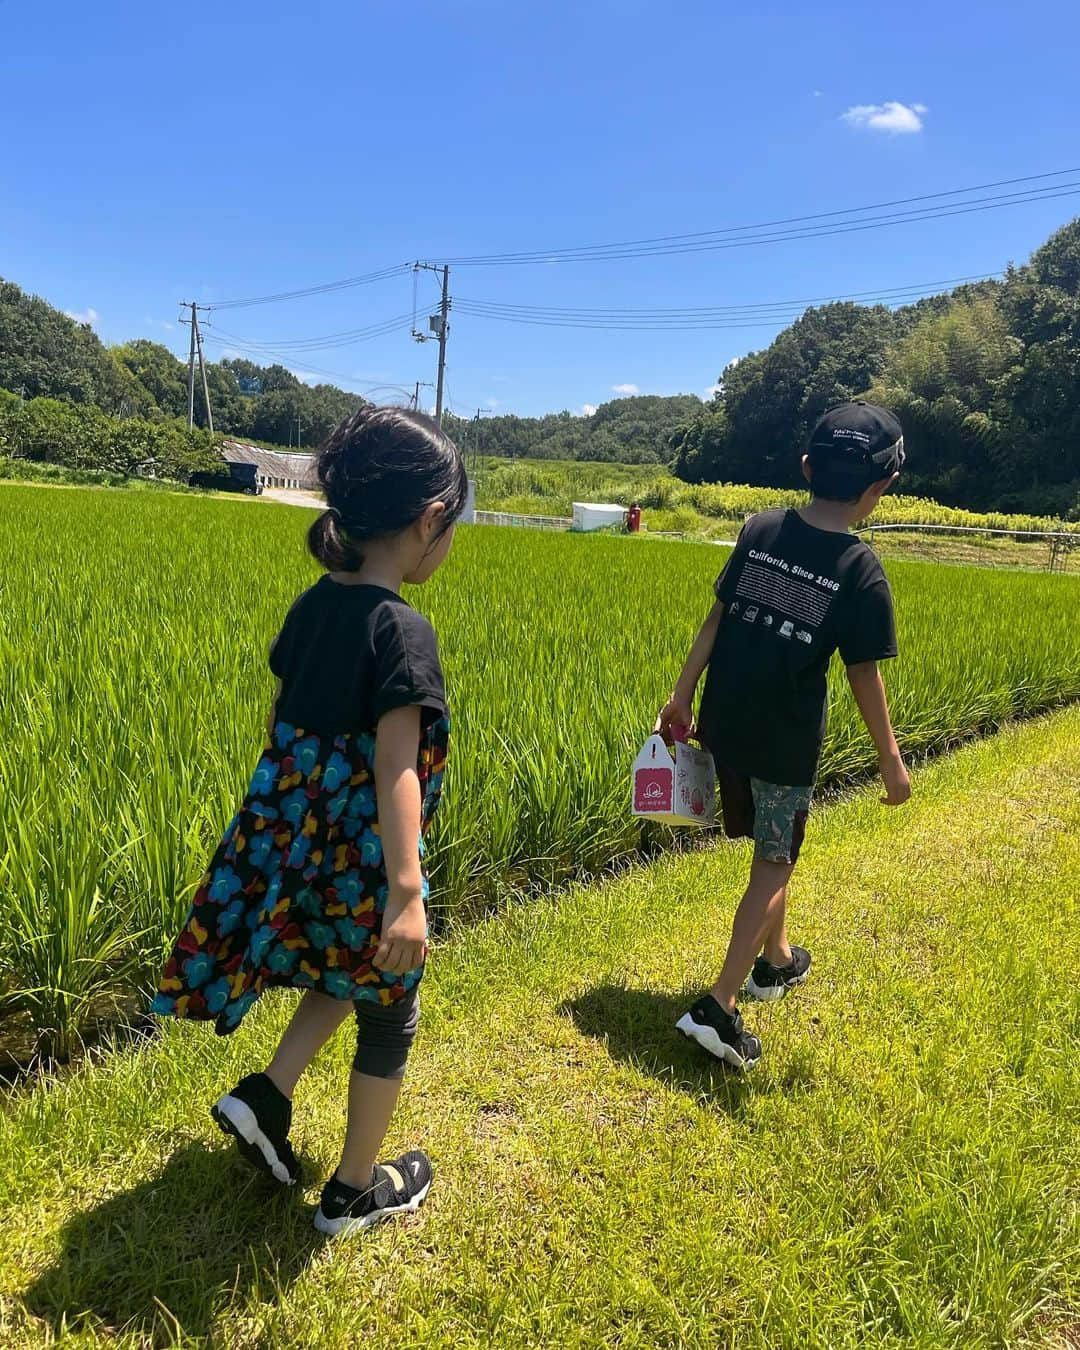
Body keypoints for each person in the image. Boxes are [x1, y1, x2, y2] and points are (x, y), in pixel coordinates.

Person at [153, 405, 467, 1235]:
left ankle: (267, 1095)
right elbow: (394, 764)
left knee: (340, 971)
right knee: (388, 1008)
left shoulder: (311, 607)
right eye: (450, 526)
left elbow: (284, 729)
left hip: (299, 845)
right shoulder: (404, 631)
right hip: (366, 860)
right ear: (429, 520)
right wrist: (407, 890)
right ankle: (356, 1189)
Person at [656, 401, 911, 1069]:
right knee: (774, 861)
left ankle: (774, 961)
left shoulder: (760, 529)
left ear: (805, 466)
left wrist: (681, 695)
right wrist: (891, 760)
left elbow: (717, 619)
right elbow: (863, 675)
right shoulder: (860, 569)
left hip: (723, 726)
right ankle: (718, 1006)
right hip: (783, 744)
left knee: (778, 845)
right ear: (881, 487)